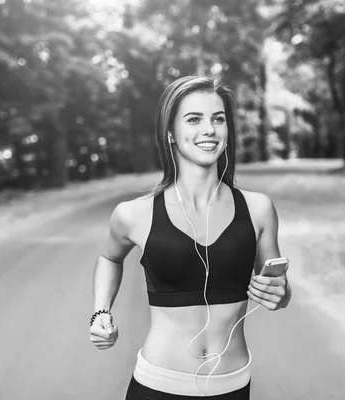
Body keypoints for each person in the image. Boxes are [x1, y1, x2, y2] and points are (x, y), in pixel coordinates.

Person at [89, 76, 292, 399]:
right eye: (194, 119)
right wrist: (101, 312)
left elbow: (279, 290)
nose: (209, 129)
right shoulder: (134, 214)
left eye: (218, 119)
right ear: (170, 132)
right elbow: (109, 257)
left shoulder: (258, 209)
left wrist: (279, 294)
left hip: (233, 387)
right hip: (157, 385)